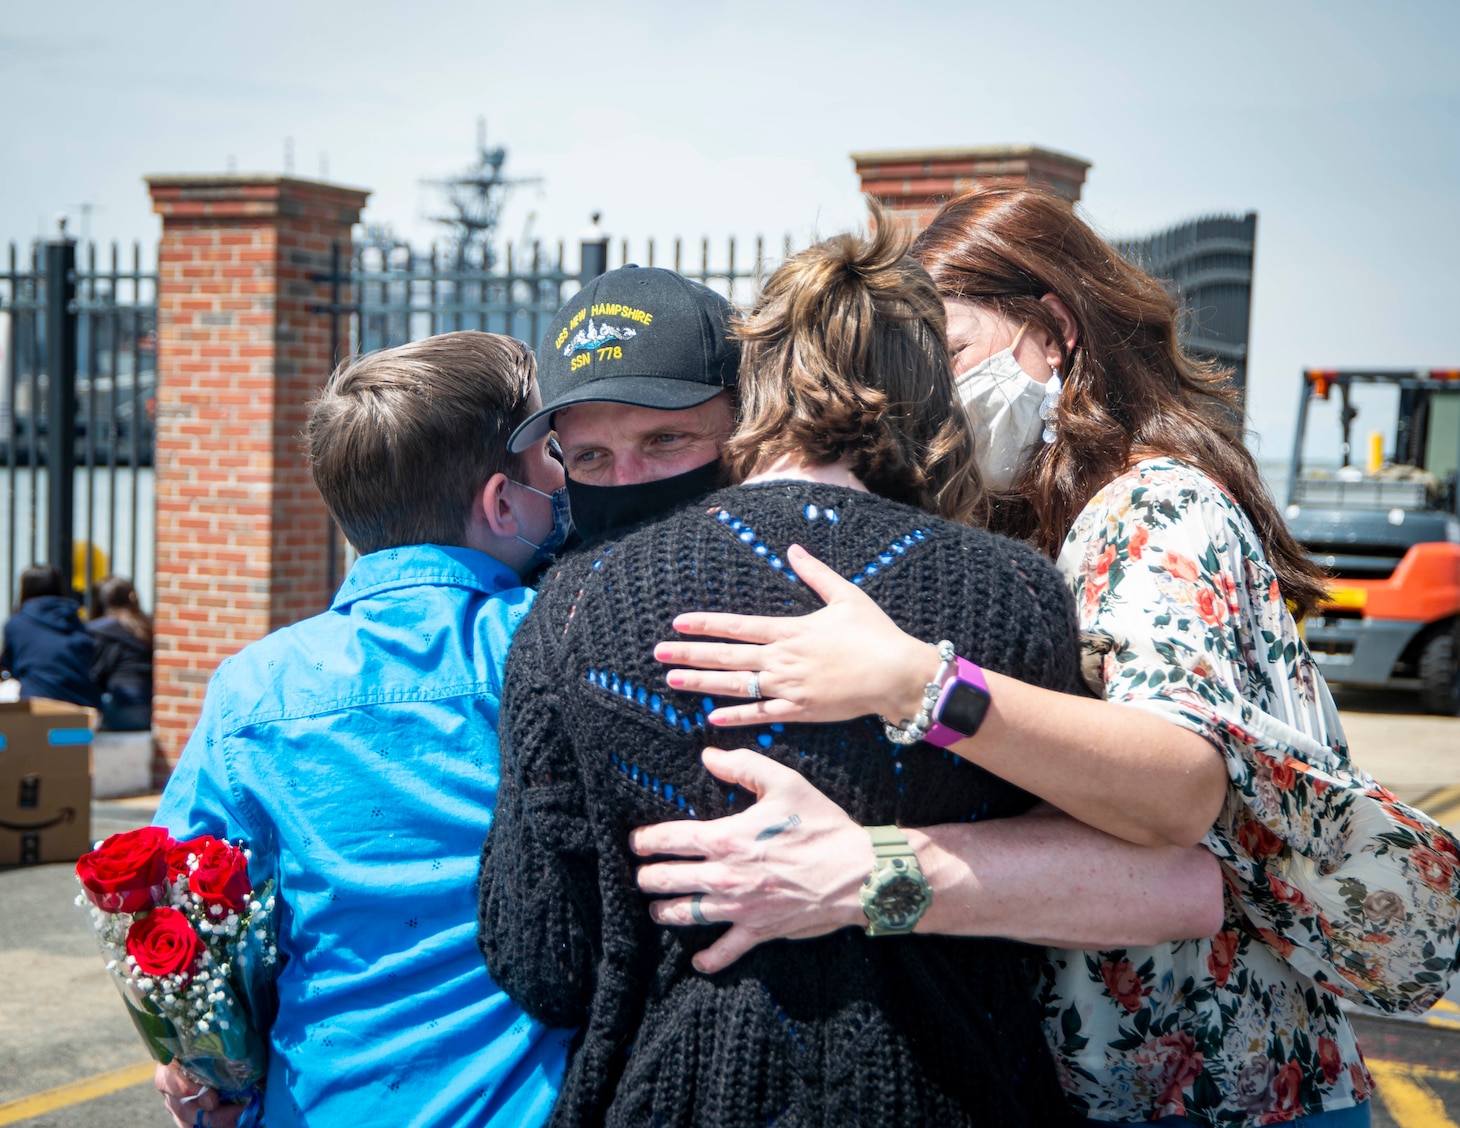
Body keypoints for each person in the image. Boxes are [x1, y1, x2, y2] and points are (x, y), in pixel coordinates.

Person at [643, 187, 1460, 1127]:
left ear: (1054, 333)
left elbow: (1179, 787)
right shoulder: (1041, 518)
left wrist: (917, 684)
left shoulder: (1153, 512)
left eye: (952, 355)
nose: (939, 402)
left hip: (1215, 1094)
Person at [475, 222, 1213, 1126]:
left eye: (662, 442)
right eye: (589, 456)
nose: (625, 476)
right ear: (933, 399)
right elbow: (1128, 876)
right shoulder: (1017, 591)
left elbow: (544, 962)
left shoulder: (576, 603)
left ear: (747, 399)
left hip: (675, 1091)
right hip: (963, 1086)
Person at [150, 331, 573, 1128]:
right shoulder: (553, 642)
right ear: (502, 503)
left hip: (321, 1100)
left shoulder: (254, 684)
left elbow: (177, 916)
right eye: (553, 455)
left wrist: (208, 1069)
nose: (571, 473)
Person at [0, 563, 101, 709]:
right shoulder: (75, 620)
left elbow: (11, 667)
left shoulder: (16, 624)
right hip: (83, 704)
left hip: (37, 703)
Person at [87, 575, 153, 731]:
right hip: (151, 710)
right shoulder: (146, 626)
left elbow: (94, 675)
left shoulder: (98, 631)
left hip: (121, 711)